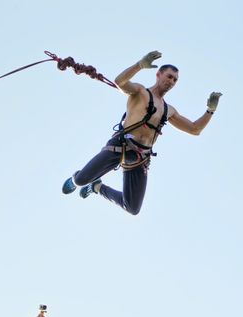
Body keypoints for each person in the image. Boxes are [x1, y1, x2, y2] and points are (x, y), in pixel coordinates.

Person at [62, 50, 222, 215]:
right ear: (158, 75)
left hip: (140, 159)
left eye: (175, 79)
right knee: (81, 180)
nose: (172, 81)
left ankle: (97, 187)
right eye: (169, 76)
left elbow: (195, 129)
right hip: (120, 146)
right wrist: (139, 65)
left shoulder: (169, 110)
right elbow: (120, 82)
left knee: (132, 207)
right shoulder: (140, 92)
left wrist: (210, 110)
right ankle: (77, 179)